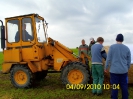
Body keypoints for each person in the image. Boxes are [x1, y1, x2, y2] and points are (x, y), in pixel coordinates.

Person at [105, 34, 131, 99]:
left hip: (114, 71)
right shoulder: (127, 48)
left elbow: (108, 58)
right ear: (122, 40)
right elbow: (129, 60)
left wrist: (106, 68)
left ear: (116, 39)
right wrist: (127, 68)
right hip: (123, 71)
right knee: (124, 86)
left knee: (114, 87)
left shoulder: (112, 47)